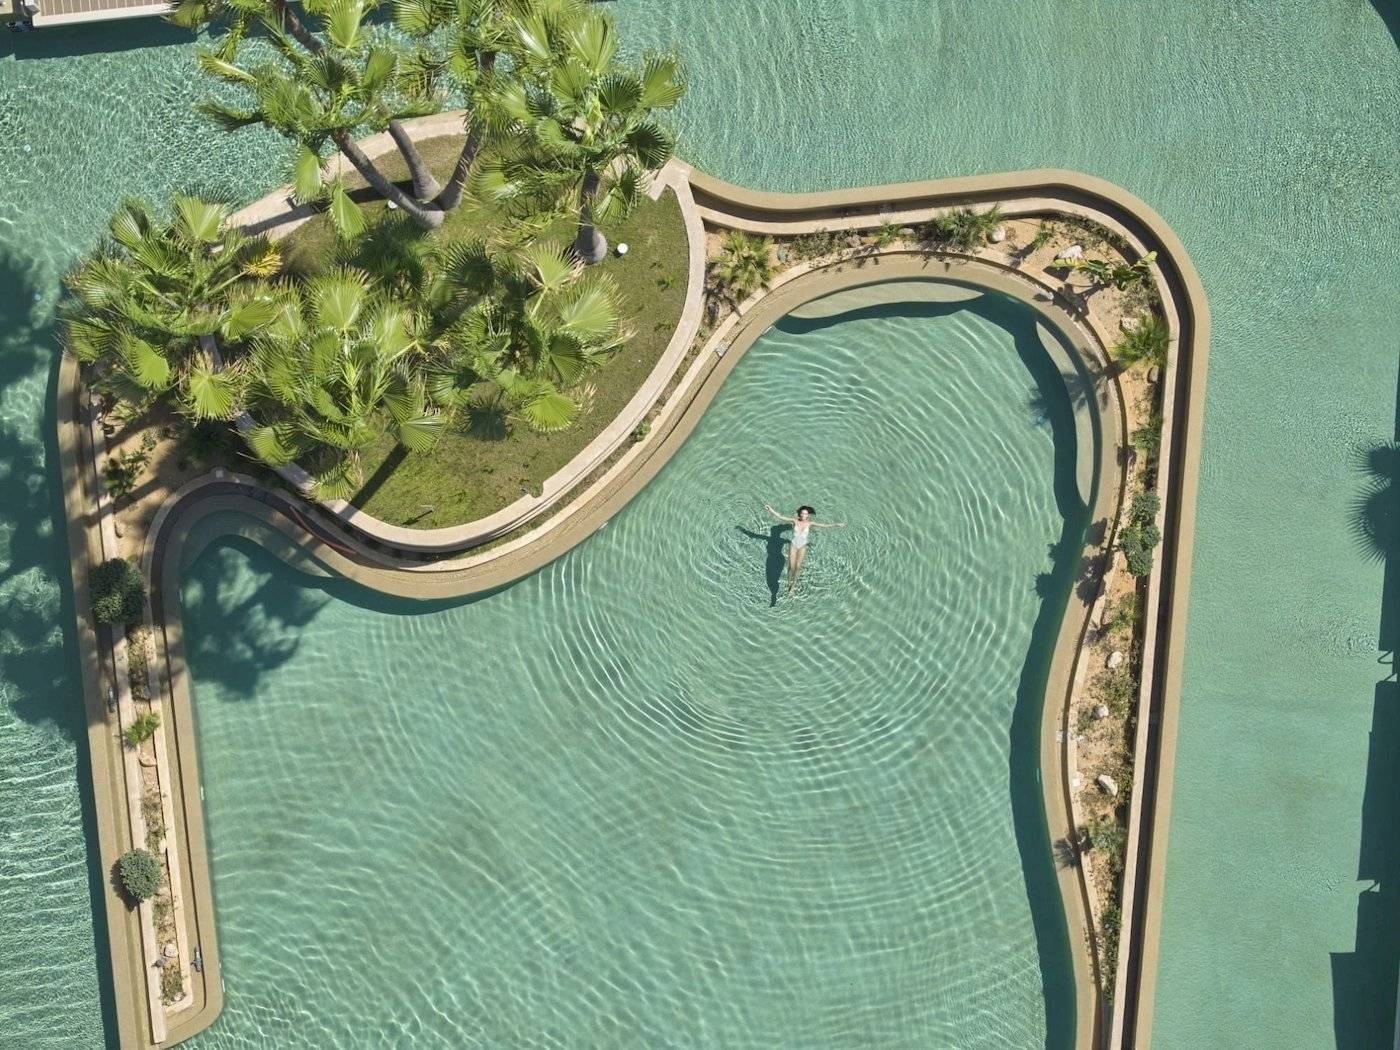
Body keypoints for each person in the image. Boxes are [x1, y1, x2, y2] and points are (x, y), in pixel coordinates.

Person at [764, 503, 845, 594]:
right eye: (802, 513)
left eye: (805, 514)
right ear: (800, 513)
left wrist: (836, 525)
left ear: (808, 515)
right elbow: (781, 517)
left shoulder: (810, 523)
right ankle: (788, 583)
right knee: (791, 566)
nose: (803, 515)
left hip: (802, 546)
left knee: (798, 567)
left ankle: (793, 587)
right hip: (794, 545)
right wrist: (770, 509)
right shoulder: (794, 521)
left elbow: (824, 525)